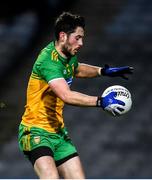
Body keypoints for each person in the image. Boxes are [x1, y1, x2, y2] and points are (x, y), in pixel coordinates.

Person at [18, 12, 133, 179]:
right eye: (77, 38)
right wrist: (100, 101)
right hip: (35, 132)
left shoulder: (68, 55)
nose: (81, 43)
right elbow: (66, 95)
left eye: (82, 38)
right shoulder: (48, 62)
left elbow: (76, 69)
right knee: (51, 178)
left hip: (58, 133)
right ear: (63, 36)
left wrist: (103, 71)